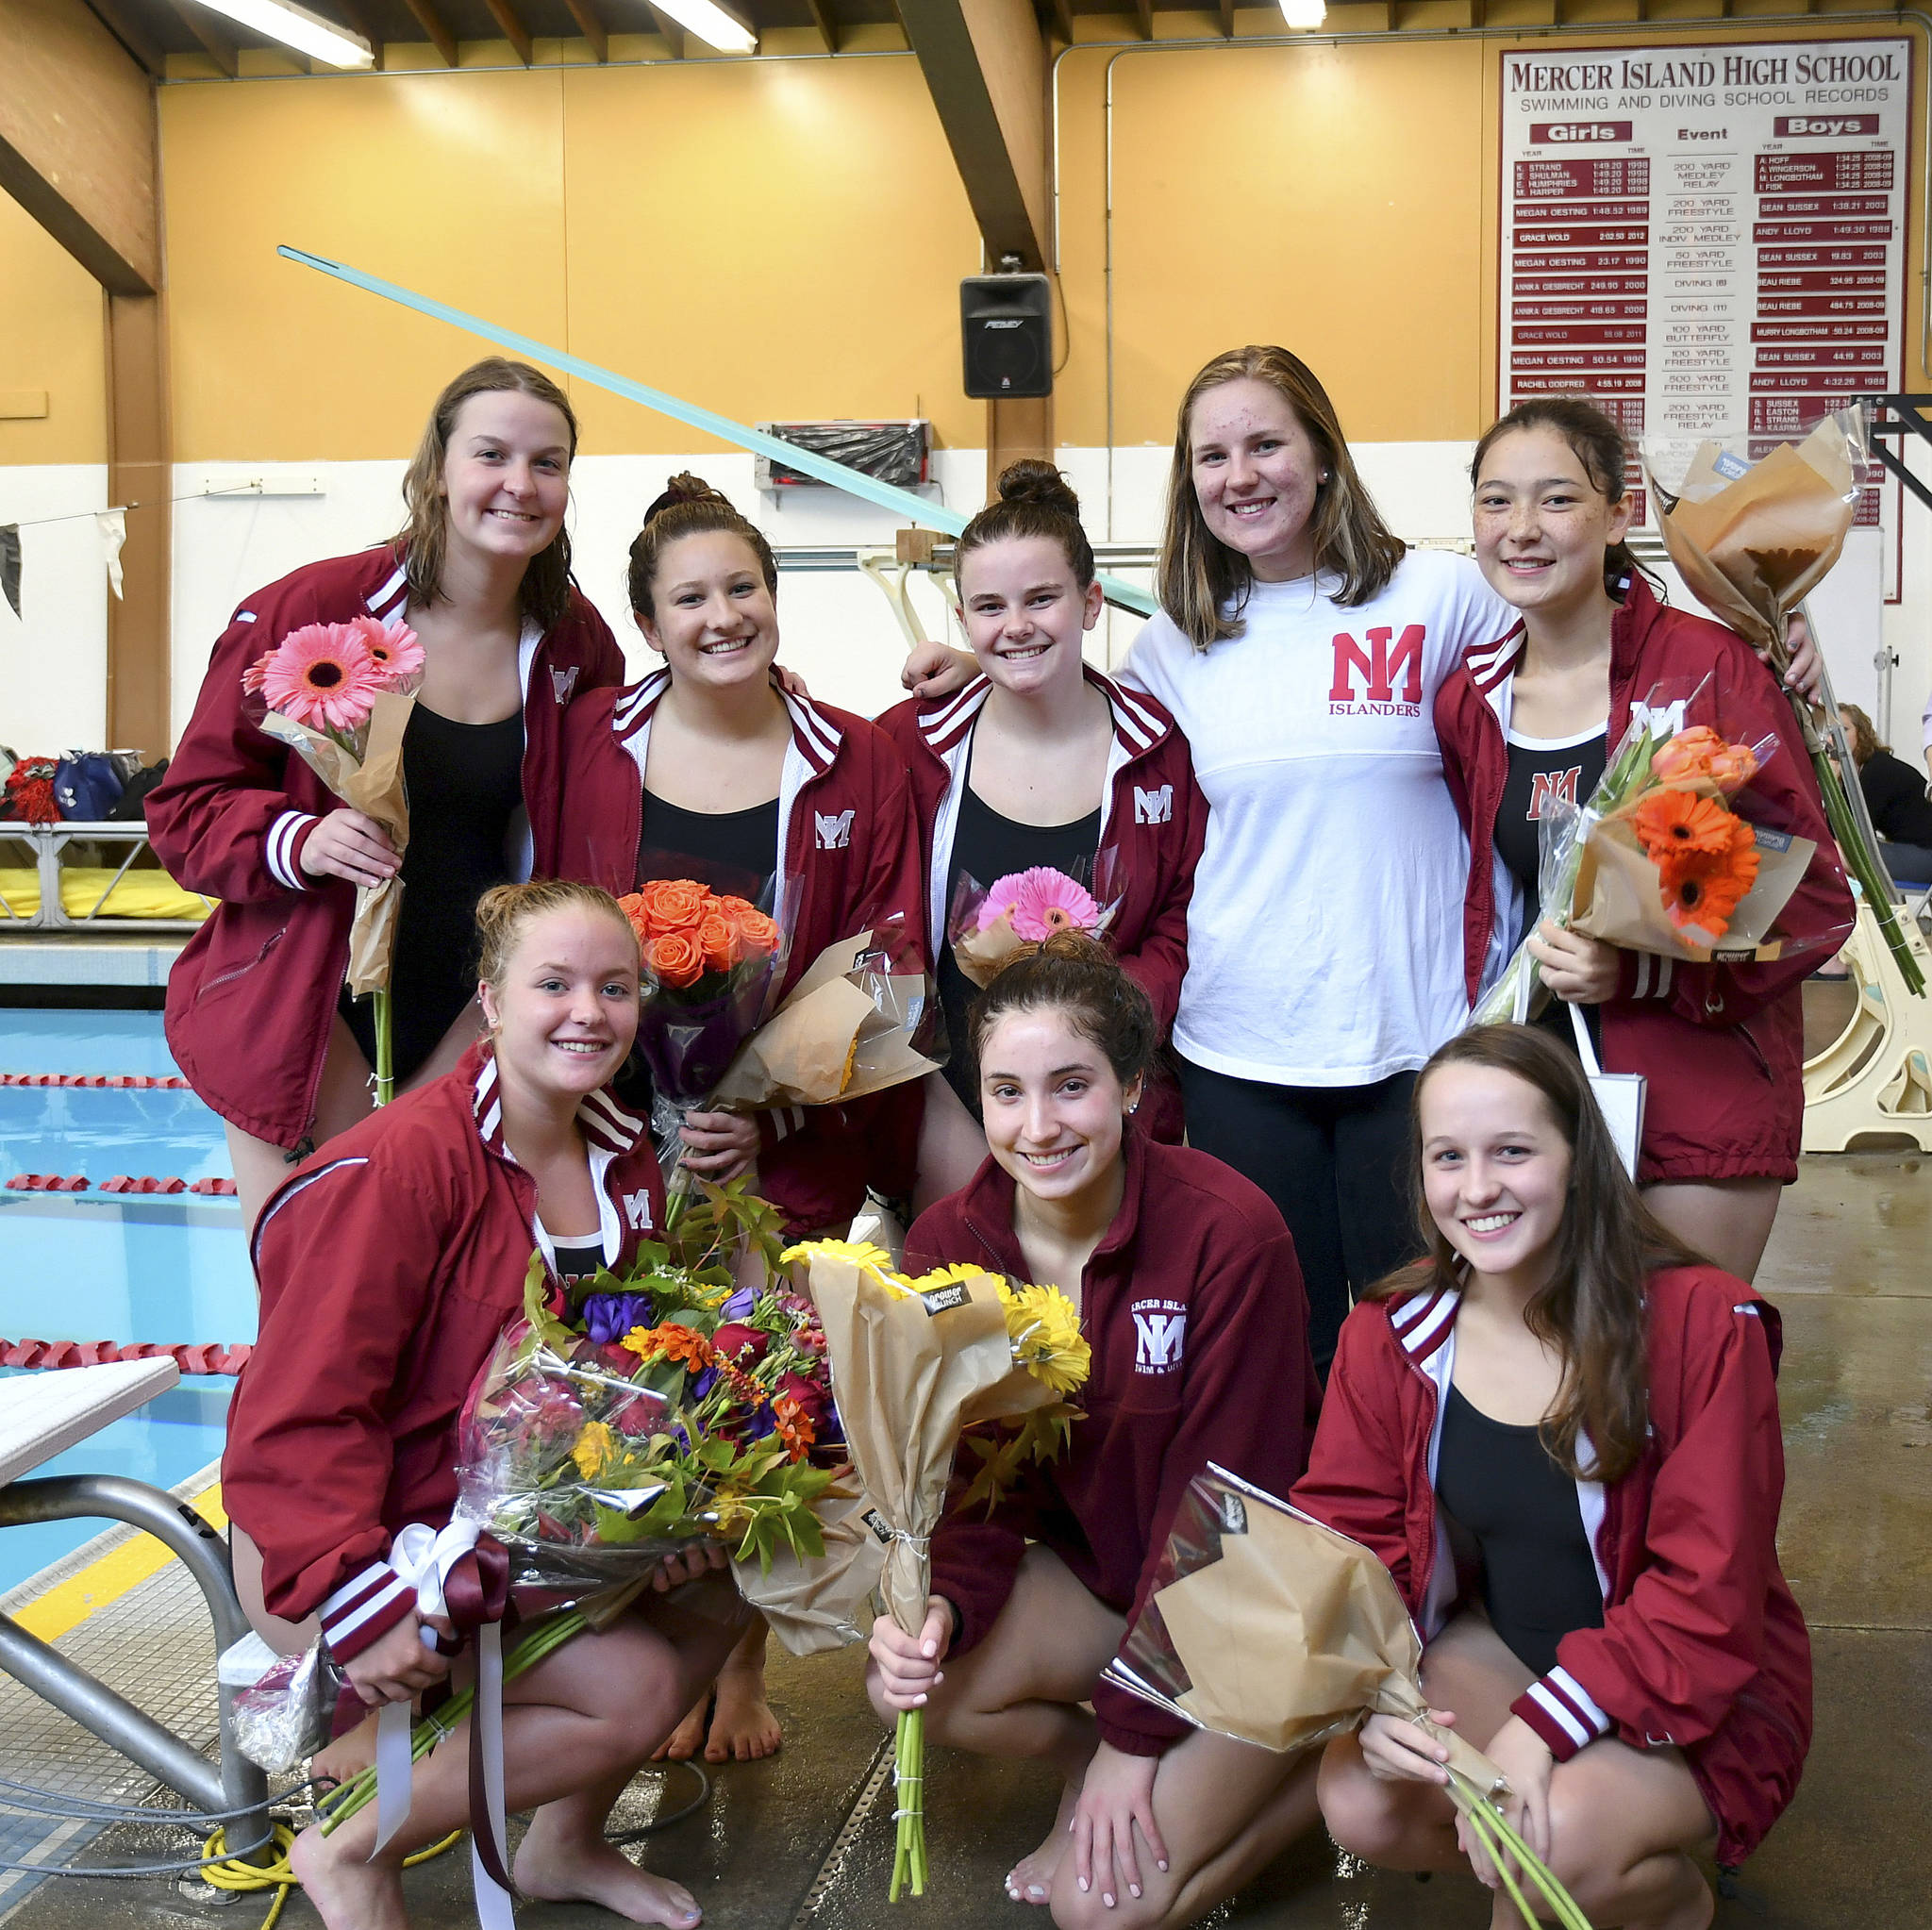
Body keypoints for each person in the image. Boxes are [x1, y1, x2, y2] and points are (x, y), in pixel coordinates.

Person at [224, 879, 748, 1930]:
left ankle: (562, 1845)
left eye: (612, 987)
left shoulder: (620, 1154)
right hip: (352, 1537)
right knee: (636, 1687)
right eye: (551, 984)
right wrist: (355, 1598)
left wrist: (672, 1511)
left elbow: (614, 1379)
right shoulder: (403, 1167)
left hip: (513, 1520)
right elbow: (292, 1417)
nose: (585, 1012)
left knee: (734, 1583)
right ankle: (351, 1843)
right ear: (492, 1000)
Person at [541, 472, 924, 1762]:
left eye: (742, 588)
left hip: (775, 1136)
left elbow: (882, 953)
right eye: (690, 597)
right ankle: (637, 1647)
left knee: (762, 1382)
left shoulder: (852, 753)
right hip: (605, 1117)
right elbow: (540, 906)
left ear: (776, 596)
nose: (722, 615)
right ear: (649, 621)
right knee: (631, 1378)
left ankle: (739, 1660)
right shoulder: (592, 740)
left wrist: (766, 1110)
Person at [1299, 1022, 1810, 1930]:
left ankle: (1658, 1896)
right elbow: (1349, 1541)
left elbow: (1709, 1595)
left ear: (1581, 1157)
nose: (1479, 1188)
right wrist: (1369, 1695)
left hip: (1696, 1682)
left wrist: (1539, 1730)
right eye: (1447, 1156)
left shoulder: (1701, 1326)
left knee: (1539, 1849)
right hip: (1513, 1651)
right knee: (1360, 1800)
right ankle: (1592, 1874)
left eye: (1513, 1151)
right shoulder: (1391, 1336)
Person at [868, 932, 1322, 1928]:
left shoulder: (1226, 1232)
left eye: (1069, 1086)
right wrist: (937, 1604)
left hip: (1249, 1608)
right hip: (1107, 1586)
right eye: (1005, 1093)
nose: (1036, 1128)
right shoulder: (951, 1244)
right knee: (915, 1683)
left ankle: (1319, 1766)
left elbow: (1229, 1513)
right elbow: (970, 1488)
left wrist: (1132, 1733)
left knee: (1097, 1912)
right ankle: (1140, 1766)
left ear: (1129, 1087)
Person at [147, 359, 625, 1232]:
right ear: (438, 470)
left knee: (448, 1301)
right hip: (311, 998)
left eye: (547, 463)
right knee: (310, 1297)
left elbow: (605, 796)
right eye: (492, 455)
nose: (520, 485)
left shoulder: (573, 641)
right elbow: (185, 810)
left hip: (475, 1000)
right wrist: (300, 838)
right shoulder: (313, 608)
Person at [1435, 398, 1853, 1281]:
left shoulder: (1709, 667)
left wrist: (1639, 971)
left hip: (1697, 1094)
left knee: (1687, 1373)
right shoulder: (1470, 702)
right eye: (1495, 501)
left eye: (1556, 500)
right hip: (1539, 1107)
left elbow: (1813, 897)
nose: (1521, 530)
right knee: (1563, 1385)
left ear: (1618, 515)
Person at [875, 460, 1207, 1209]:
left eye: (1042, 599)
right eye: (990, 606)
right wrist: (930, 1098)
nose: (1016, 625)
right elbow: (876, 921)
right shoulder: (908, 747)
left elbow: (1184, 919)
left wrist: (1111, 1014)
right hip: (945, 1109)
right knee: (962, 1317)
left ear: (1090, 604)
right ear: (962, 620)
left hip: (1108, 1106)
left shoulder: (1160, 753)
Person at [1839, 701, 1932, 886]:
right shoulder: (1868, 768)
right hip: (1912, 850)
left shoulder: (1877, 770)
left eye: (1843, 730)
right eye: (1828, 732)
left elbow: (1846, 833)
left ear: (1861, 733)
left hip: (1925, 857)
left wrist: (1833, 782)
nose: (1833, 739)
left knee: (1837, 850)